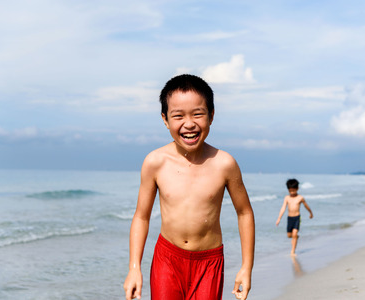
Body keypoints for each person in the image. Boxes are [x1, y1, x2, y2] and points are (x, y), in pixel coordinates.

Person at [123, 74, 255, 300]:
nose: (189, 123)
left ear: (211, 116)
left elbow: (244, 213)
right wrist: (134, 268)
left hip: (209, 262)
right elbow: (141, 217)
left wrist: (246, 267)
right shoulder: (155, 162)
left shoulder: (224, 164)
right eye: (178, 116)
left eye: (197, 114)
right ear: (165, 119)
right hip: (167, 259)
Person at [275, 178, 313, 256]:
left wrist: (310, 213)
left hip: (297, 218)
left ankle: (293, 251)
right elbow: (283, 208)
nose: (292, 192)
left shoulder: (300, 198)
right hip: (290, 218)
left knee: (294, 233)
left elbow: (306, 206)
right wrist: (279, 218)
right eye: (290, 191)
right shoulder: (287, 198)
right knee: (289, 235)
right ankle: (296, 236)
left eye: (293, 190)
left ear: (297, 189)